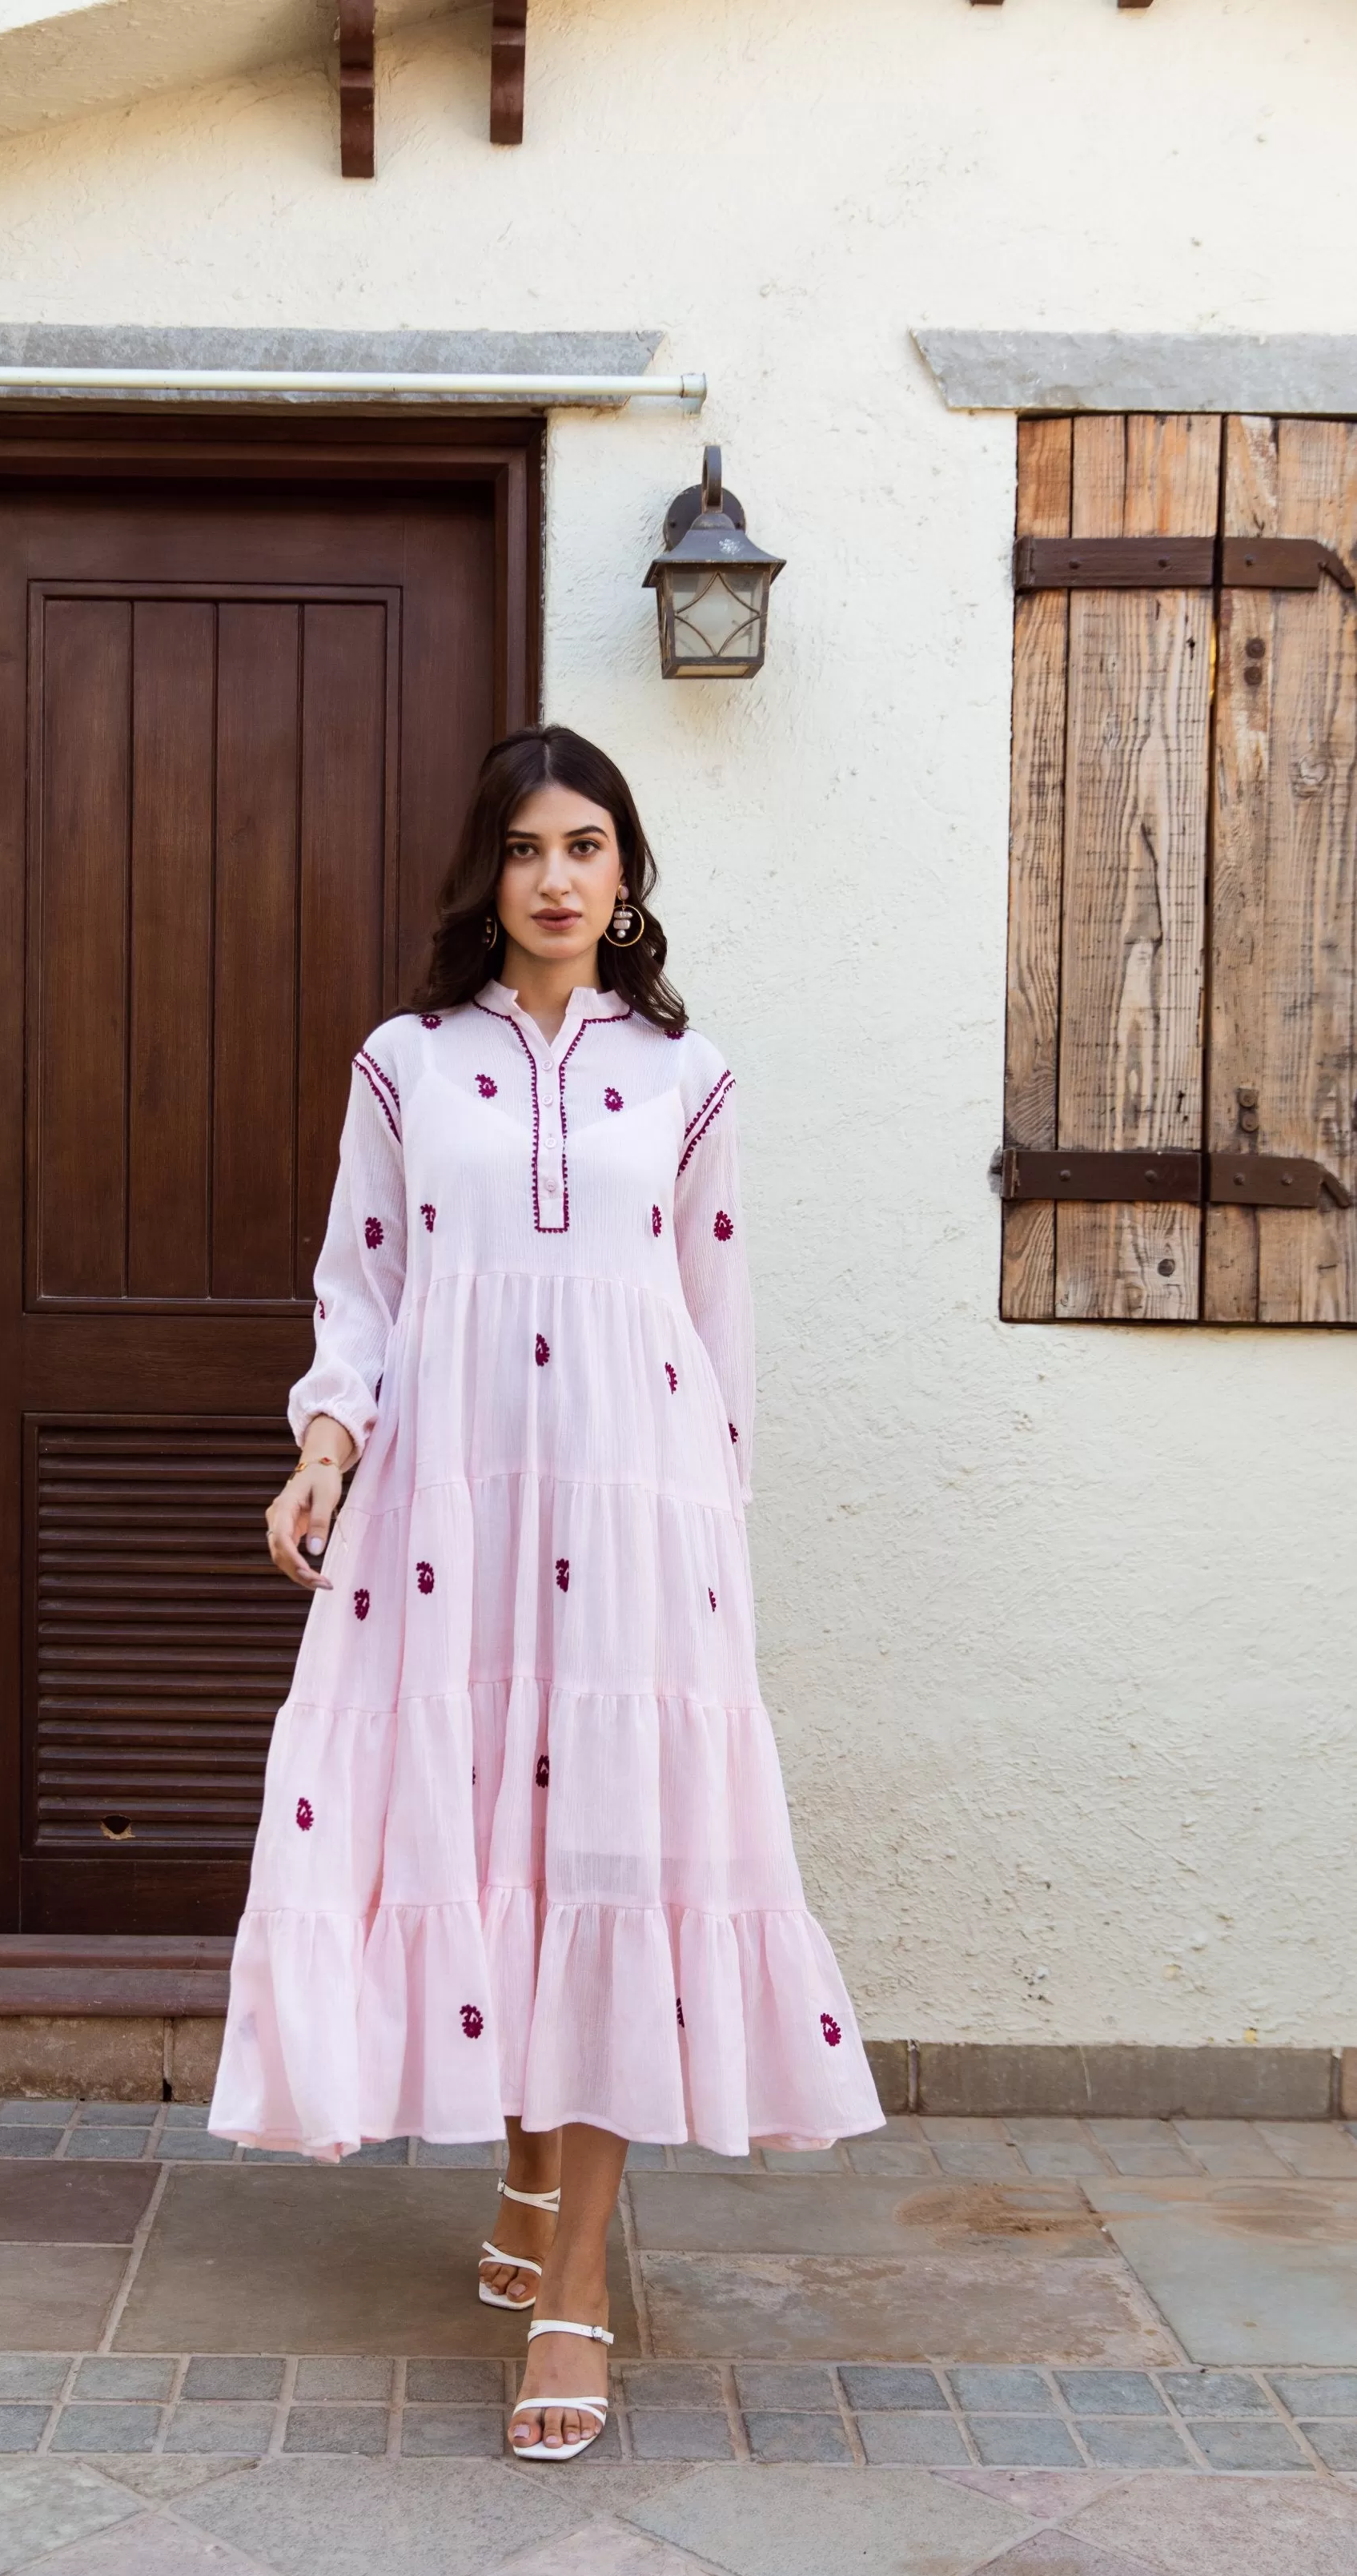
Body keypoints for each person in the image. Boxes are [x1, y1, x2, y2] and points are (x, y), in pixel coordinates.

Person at [208, 724, 883, 2459]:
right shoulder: (403, 1064)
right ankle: (516, 2168)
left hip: (634, 1509)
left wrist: (710, 1531)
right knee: (481, 1837)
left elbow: (712, 1320)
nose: (560, 876)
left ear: (627, 869)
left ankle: (572, 2277)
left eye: (589, 843)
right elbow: (359, 1286)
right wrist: (323, 1448)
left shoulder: (687, 1078)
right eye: (527, 847)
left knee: (604, 1853)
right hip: (445, 1504)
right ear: (484, 874)